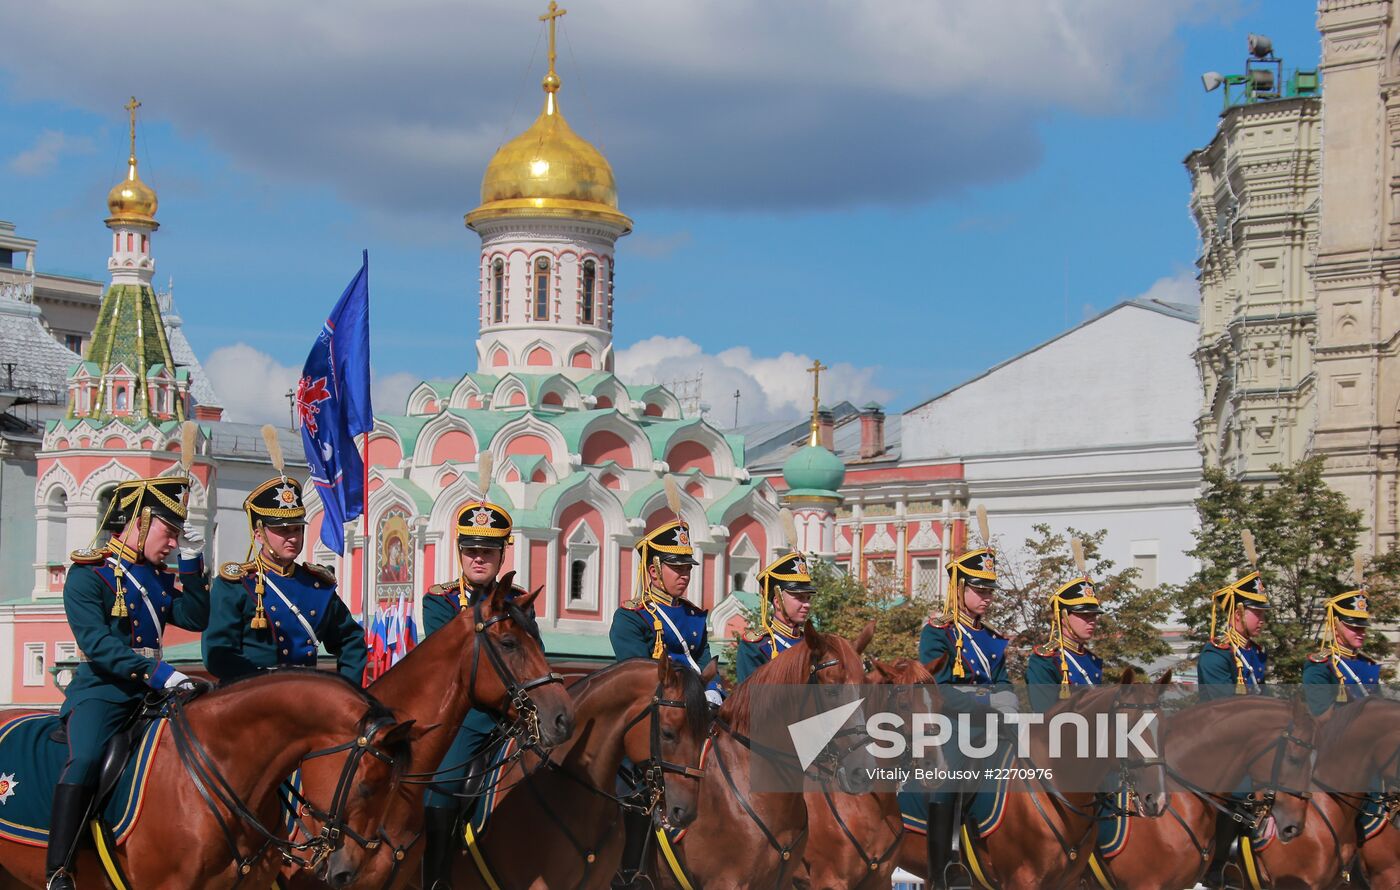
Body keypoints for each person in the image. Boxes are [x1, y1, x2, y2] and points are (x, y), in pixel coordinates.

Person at [45, 476, 210, 890]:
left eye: (177, 535)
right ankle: (59, 870)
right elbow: (97, 644)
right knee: (84, 760)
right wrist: (159, 674)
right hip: (103, 692)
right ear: (137, 521)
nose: (172, 542)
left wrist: (191, 561)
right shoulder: (89, 575)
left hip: (154, 693)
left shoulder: (153, 575)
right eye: (168, 532)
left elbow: (195, 618)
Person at [610, 519, 723, 887]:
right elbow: (638, 677)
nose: (684, 574)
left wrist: (713, 692)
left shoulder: (693, 615)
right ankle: (631, 870)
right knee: (630, 788)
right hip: (652, 722)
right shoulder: (632, 617)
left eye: (687, 567)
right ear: (653, 570)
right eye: (676, 567)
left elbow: (706, 662)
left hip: (694, 716)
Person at [419, 496, 524, 890]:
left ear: (501, 556)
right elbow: (453, 665)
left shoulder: (517, 602)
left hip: (516, 717)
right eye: (471, 551)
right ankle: (437, 877)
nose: (478, 559)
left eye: (488, 552)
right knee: (442, 788)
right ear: (460, 553)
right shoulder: (440, 601)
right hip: (467, 718)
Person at [203, 471, 366, 685]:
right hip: (249, 695)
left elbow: (351, 641)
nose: (292, 537)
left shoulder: (317, 585)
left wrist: (346, 689)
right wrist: (264, 682)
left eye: (297, 529)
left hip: (304, 695)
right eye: (283, 529)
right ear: (259, 534)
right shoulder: (236, 586)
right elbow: (217, 654)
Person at [918, 547, 1014, 890]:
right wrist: (989, 703)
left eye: (990, 590)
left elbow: (1003, 682)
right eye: (980, 589)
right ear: (959, 589)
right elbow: (939, 690)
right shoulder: (937, 631)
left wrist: (1008, 704)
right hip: (951, 724)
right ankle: (941, 867)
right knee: (949, 773)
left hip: (994, 724)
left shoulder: (993, 638)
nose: (987, 597)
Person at [1197, 568, 1271, 888]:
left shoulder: (1255, 654)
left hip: (1255, 746)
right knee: (1237, 791)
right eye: (1257, 611)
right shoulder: (1216, 655)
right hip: (1223, 748)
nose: (1262, 618)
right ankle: (1215, 866)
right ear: (1238, 612)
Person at [1024, 576, 1103, 713]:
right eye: (1084, 615)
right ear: (1063, 616)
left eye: (1094, 615)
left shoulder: (1092, 660)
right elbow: (1046, 713)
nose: (1091, 621)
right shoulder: (1045, 661)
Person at [735, 550, 814, 683]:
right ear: (778, 602)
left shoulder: (811, 643)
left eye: (807, 598)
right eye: (799, 597)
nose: (806, 604)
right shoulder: (755, 646)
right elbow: (750, 697)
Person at [1197, 571, 1270, 698]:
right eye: (1258, 614)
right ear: (1238, 615)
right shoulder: (1217, 654)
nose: (1262, 620)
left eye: (1263, 614)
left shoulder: (1254, 650)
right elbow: (1226, 706)